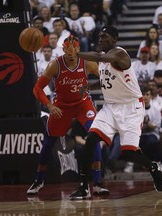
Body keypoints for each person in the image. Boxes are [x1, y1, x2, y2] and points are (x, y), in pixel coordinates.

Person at [69, 25, 162, 200]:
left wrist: (76, 54)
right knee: (91, 140)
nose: (100, 39)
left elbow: (99, 56)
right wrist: (92, 85)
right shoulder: (104, 62)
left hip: (131, 108)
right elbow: (109, 80)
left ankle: (152, 167)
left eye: (104, 36)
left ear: (114, 40)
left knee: (127, 152)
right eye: (99, 36)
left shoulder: (119, 54)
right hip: (111, 107)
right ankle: (84, 186)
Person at [27, 35, 109, 195]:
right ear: (63, 49)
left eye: (74, 49)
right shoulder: (55, 65)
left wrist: (92, 85)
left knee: (94, 136)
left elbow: (106, 78)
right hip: (61, 106)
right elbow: (37, 89)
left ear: (79, 49)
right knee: (48, 144)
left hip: (82, 104)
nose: (71, 53)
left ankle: (98, 182)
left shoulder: (88, 63)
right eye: (68, 50)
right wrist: (49, 105)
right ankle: (39, 180)